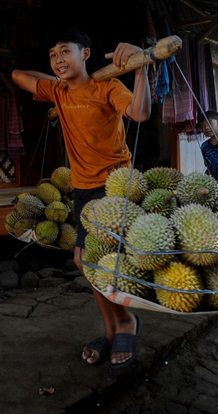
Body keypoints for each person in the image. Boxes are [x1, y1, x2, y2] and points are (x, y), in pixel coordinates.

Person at [12, 26, 151, 368]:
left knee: (95, 261)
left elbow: (141, 113)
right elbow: (17, 75)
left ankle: (124, 323)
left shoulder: (107, 86)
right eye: (53, 55)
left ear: (85, 54)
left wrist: (141, 64)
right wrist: (57, 81)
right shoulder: (58, 93)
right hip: (83, 187)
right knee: (84, 261)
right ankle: (111, 329)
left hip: (115, 185)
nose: (58, 59)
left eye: (65, 51)